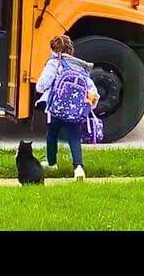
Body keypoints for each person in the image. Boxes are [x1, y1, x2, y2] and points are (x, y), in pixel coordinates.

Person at [35, 35, 100, 180]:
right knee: (74, 138)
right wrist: (86, 108)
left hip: (55, 110)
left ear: (54, 49)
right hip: (75, 112)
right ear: (70, 50)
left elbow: (41, 86)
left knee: (51, 135)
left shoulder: (54, 64)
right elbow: (93, 93)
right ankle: (78, 168)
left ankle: (52, 163)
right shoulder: (81, 67)